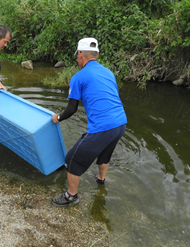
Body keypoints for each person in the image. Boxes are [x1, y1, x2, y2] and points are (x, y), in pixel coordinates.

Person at [51, 38, 127, 206]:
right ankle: (101, 179)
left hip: (103, 127)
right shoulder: (108, 72)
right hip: (121, 123)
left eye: (77, 56)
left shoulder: (79, 77)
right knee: (105, 151)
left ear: (80, 55)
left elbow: (71, 110)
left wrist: (57, 118)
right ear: (97, 55)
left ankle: (71, 196)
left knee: (71, 159)